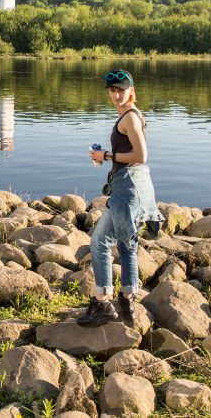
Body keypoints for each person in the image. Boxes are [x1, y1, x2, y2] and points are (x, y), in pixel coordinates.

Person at [77, 69, 163, 327]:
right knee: (127, 244)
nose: (116, 95)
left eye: (120, 90)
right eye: (112, 90)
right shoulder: (131, 115)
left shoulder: (129, 119)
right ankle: (128, 300)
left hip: (128, 187)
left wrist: (107, 156)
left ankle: (103, 302)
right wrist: (107, 157)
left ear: (131, 91)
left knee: (100, 242)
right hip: (135, 184)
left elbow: (141, 155)